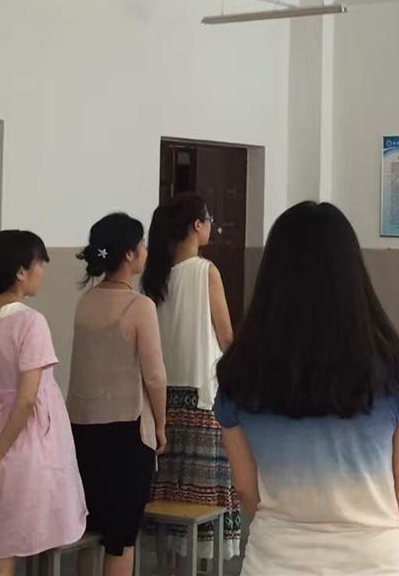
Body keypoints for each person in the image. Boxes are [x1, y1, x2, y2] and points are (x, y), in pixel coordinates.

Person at [214, 201, 399, 575]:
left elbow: (246, 489)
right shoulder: (396, 372)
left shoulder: (240, 375)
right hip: (375, 563)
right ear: (353, 275)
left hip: (276, 561)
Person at [0, 230, 86, 576]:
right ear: (20, 272)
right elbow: (26, 400)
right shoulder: (30, 322)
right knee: (4, 548)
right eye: (39, 264)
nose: (43, 271)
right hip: (20, 447)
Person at [140, 193, 240, 560]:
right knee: (202, 499)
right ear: (196, 225)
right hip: (202, 396)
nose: (212, 225)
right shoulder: (205, 271)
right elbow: (226, 336)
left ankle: (170, 564)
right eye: (208, 218)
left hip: (164, 399)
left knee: (169, 493)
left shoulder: (155, 276)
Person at [68, 213, 168, 576]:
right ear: (129, 253)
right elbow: (155, 376)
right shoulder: (139, 306)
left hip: (82, 429)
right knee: (121, 536)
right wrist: (161, 424)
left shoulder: (85, 302)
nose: (145, 250)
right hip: (127, 431)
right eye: (142, 244)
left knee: (88, 527)